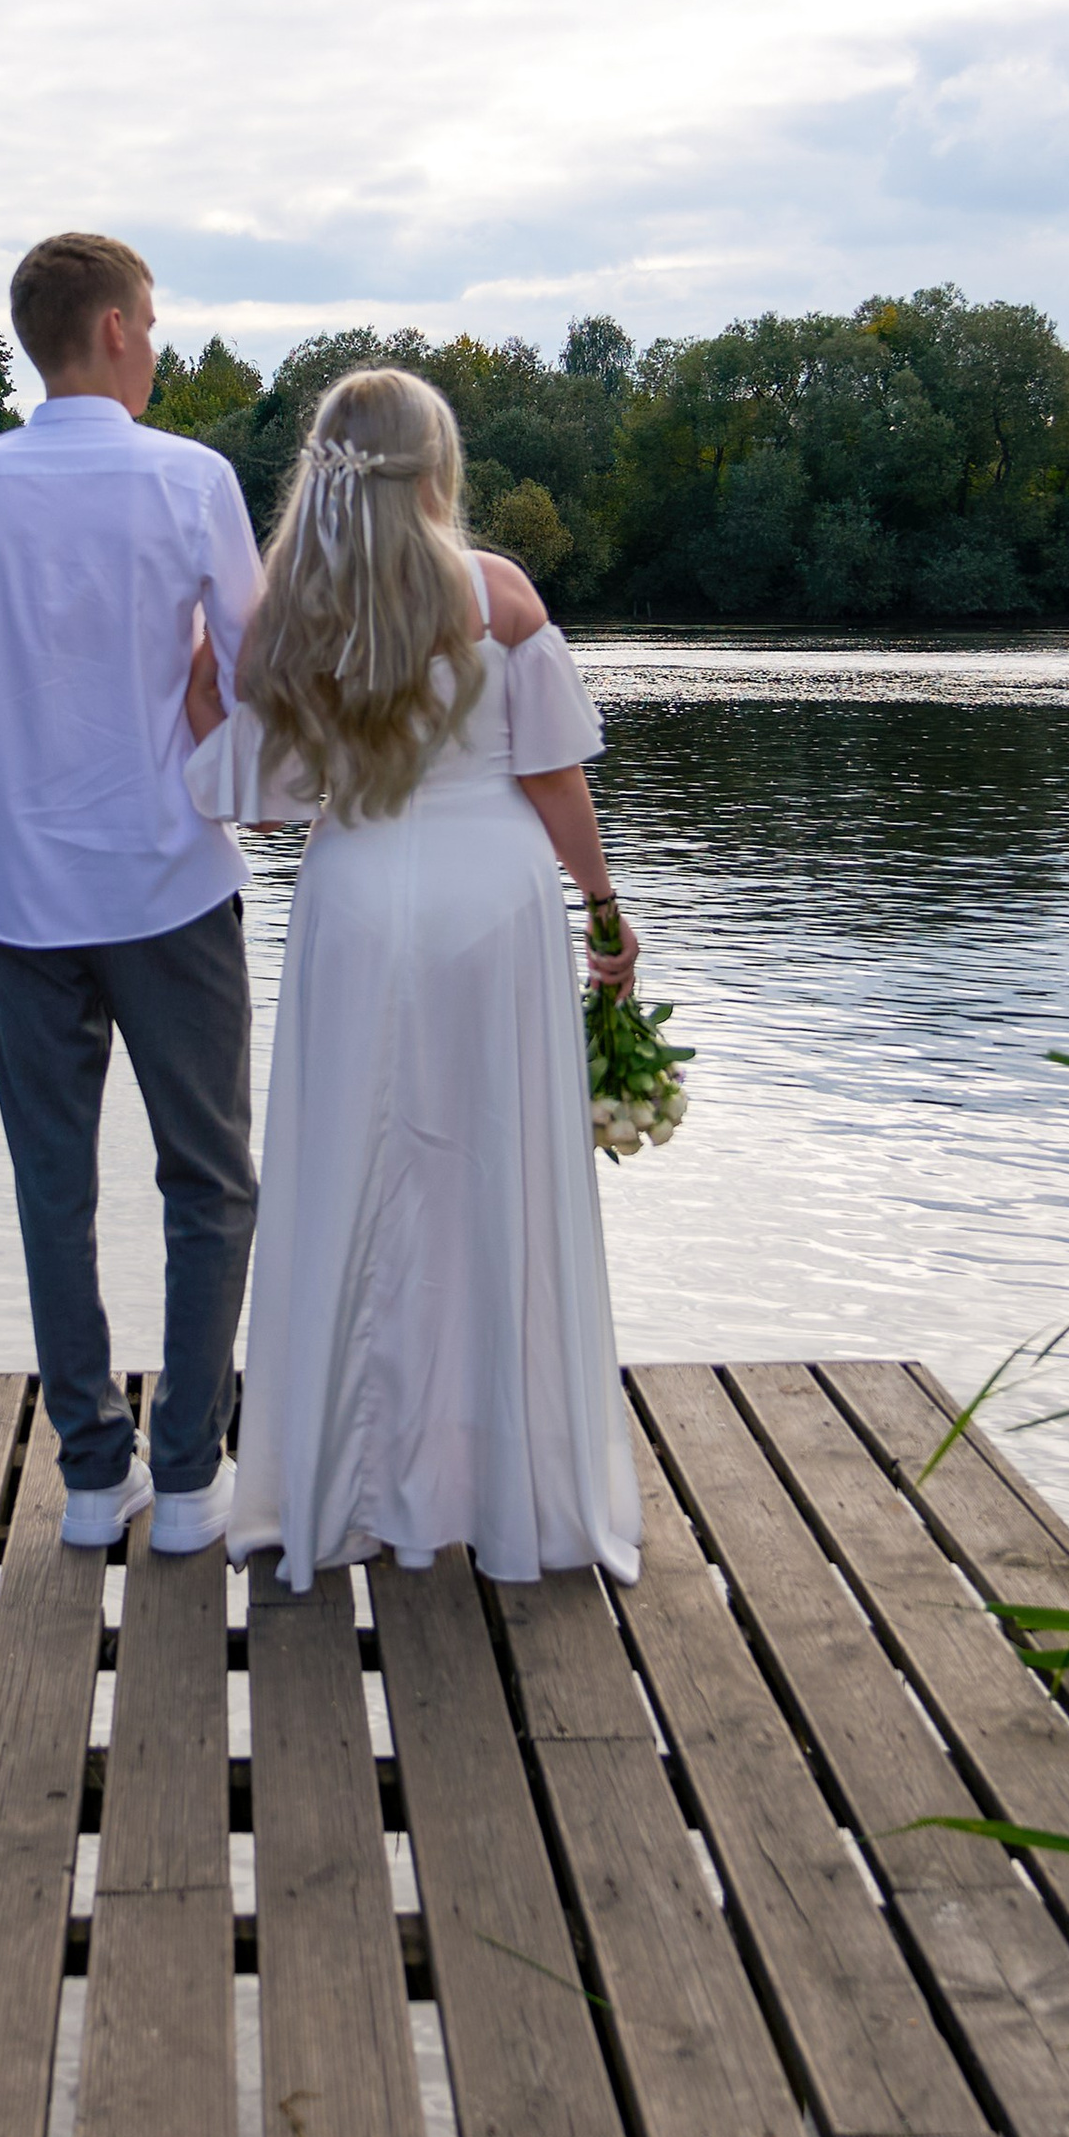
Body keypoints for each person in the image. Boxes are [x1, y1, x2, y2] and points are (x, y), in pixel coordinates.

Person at [182, 365, 643, 1587]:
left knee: (356, 1176)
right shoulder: (497, 594)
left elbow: (273, 810)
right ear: (433, 465)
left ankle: (344, 1479)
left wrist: (197, 703)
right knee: (488, 1176)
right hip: (492, 907)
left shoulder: (290, 614)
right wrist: (603, 907)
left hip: (358, 903)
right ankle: (501, 1483)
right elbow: (551, 775)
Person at [0, 232, 263, 1553]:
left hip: (24, 892)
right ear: (110, 328)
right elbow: (256, 663)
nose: (158, 347)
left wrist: (19, 747)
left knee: (55, 1184)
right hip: (169, 874)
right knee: (209, 1177)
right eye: (153, 324)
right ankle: (191, 1474)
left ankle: (95, 1480)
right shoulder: (192, 478)